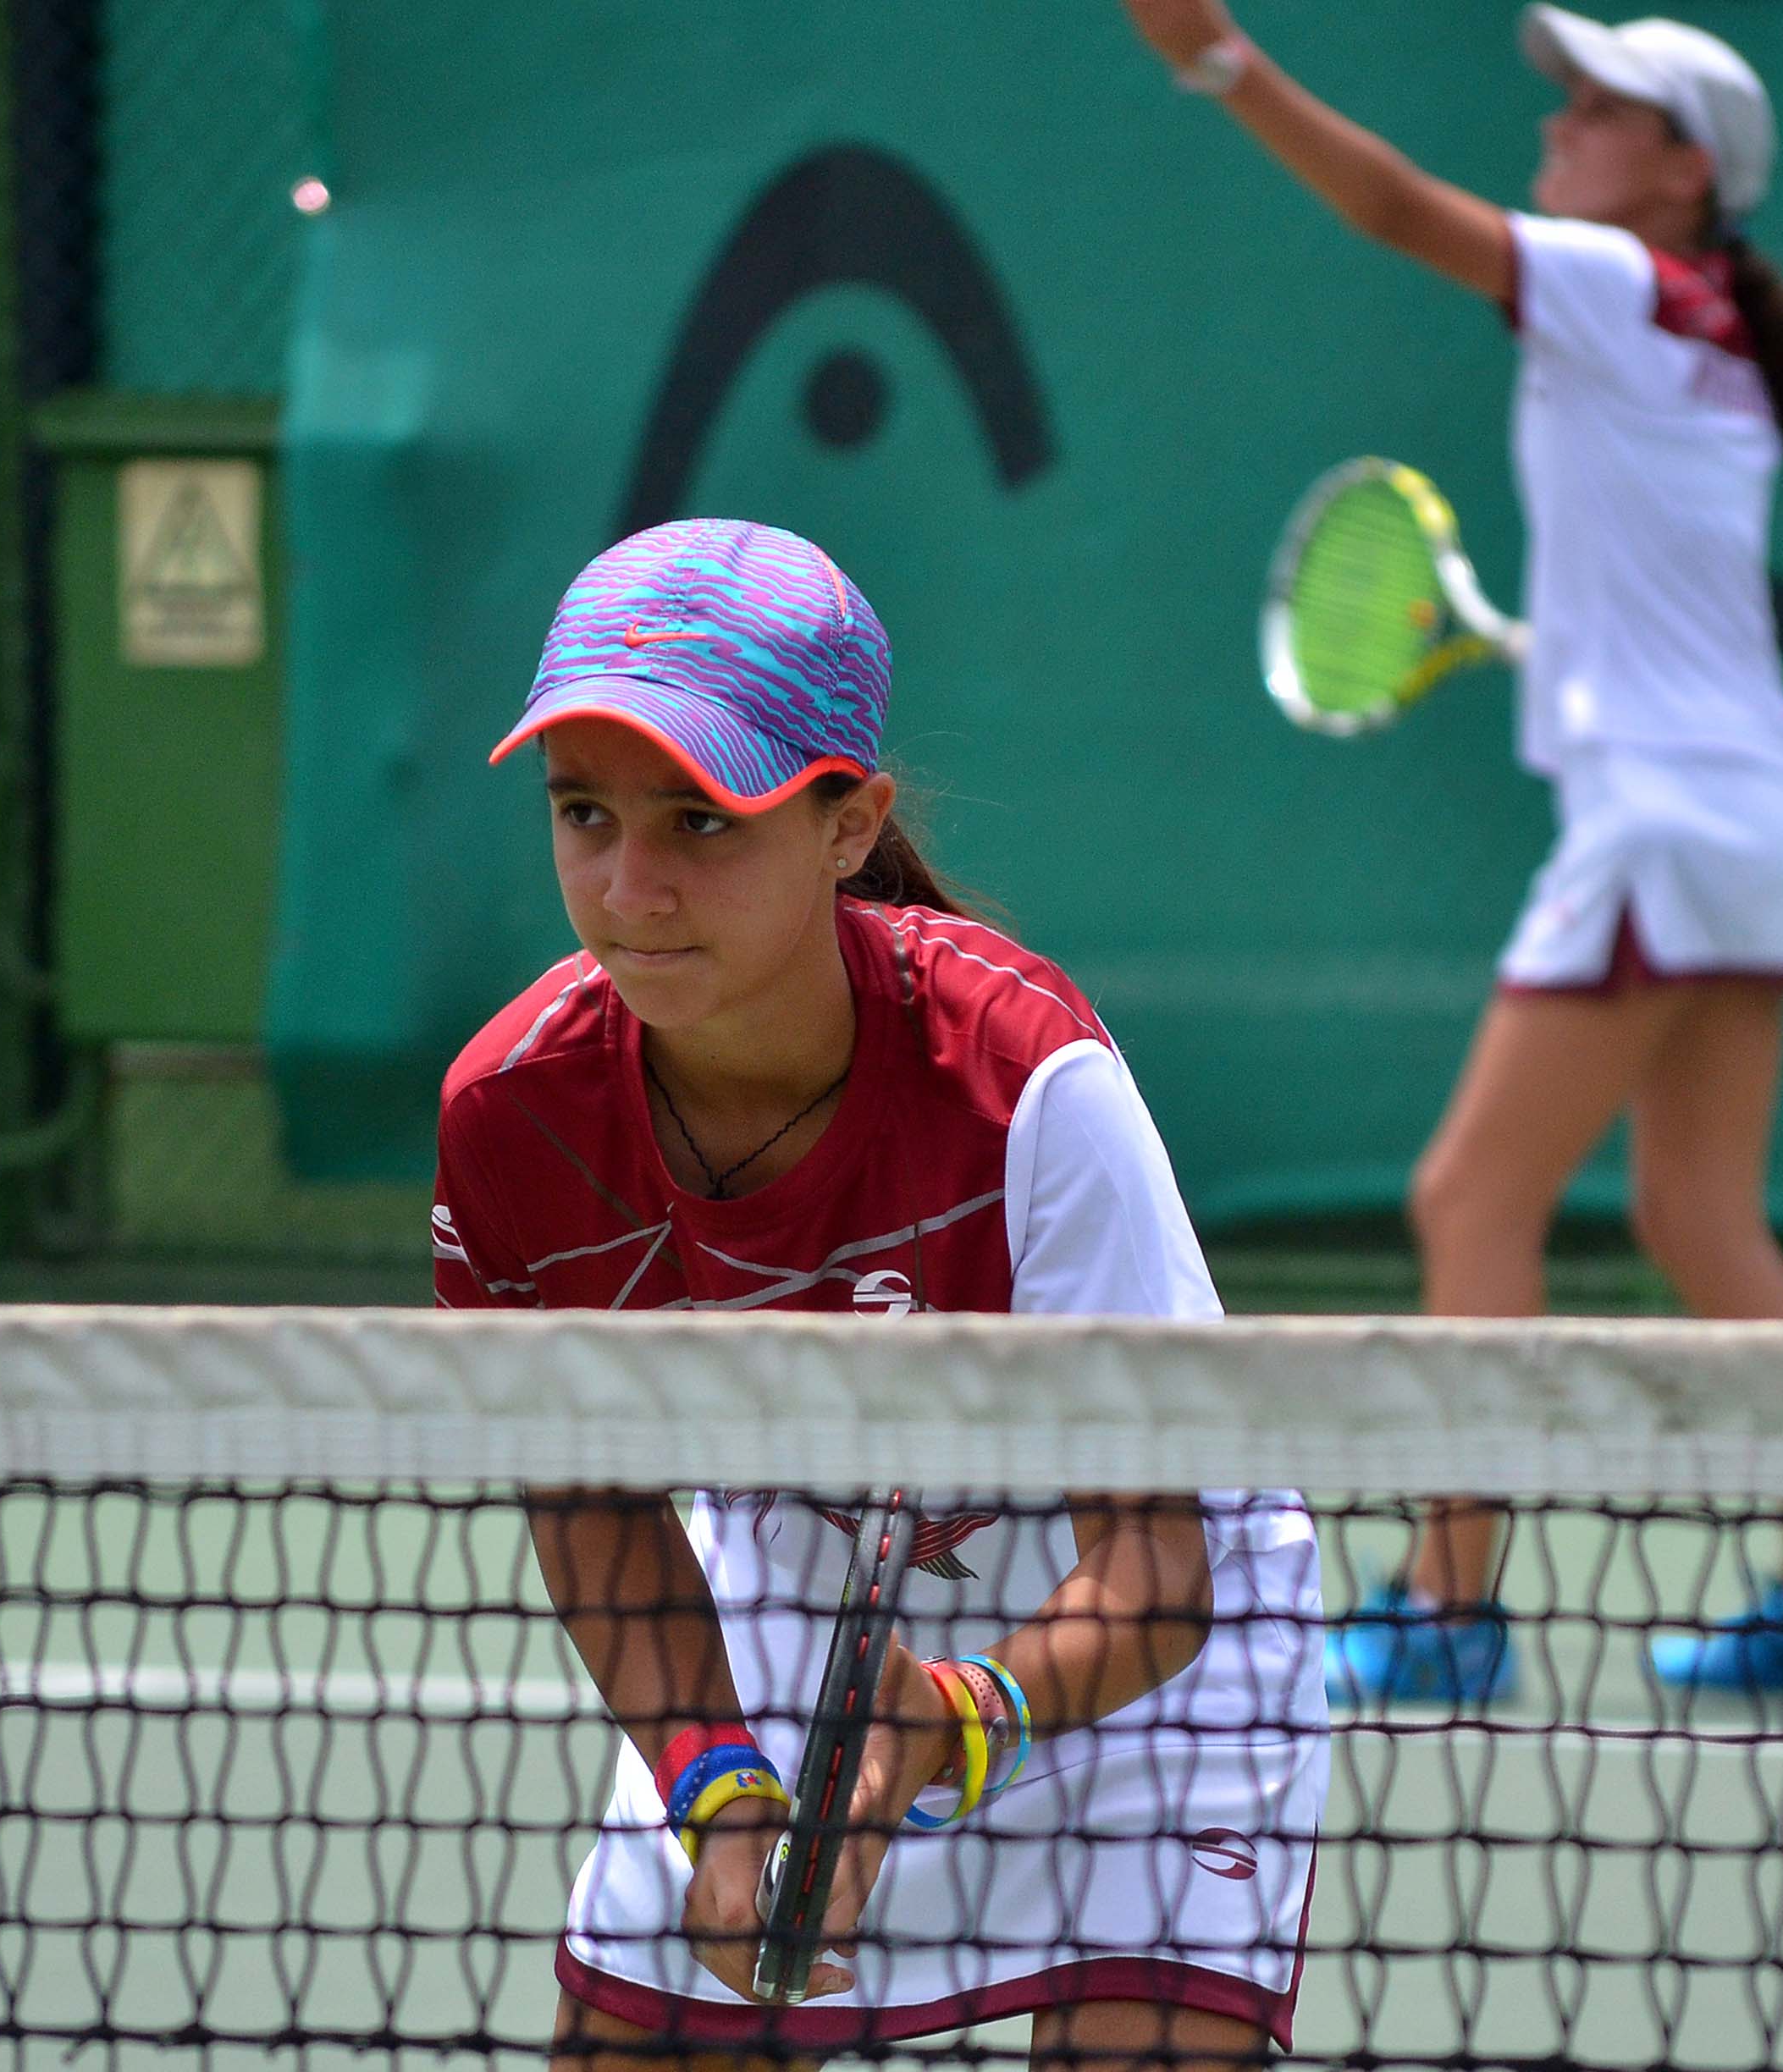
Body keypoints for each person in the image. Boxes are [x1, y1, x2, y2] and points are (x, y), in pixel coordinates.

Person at [433, 520, 1328, 2069]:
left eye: (703, 821)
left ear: (850, 826)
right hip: (800, 1599)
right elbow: (591, 1501)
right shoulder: (514, 1121)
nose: (631, 887)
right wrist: (716, 1784)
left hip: (1136, 1653)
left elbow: (1158, 1560)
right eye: (585, 815)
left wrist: (960, 1715)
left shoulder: (1026, 1083)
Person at [1116, 4, 1783, 1702]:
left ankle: (1448, 1606)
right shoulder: (1720, 341)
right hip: (1754, 819)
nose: (1555, 122)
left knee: (1469, 1195)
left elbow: (1394, 206)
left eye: (1599, 108)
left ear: (1684, 173)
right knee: (1702, 1218)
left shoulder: (1625, 291)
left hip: (1660, 827)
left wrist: (1220, 63)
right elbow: (1666, 598)